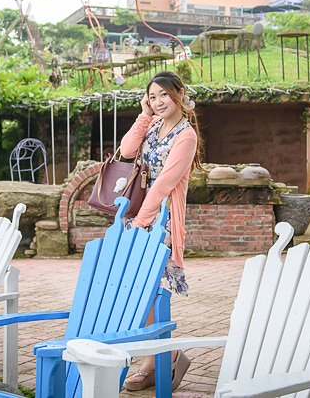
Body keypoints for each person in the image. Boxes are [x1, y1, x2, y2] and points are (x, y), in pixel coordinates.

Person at [119, 70, 203, 391]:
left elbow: (165, 184)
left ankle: (158, 359)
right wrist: (143, 115)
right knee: (136, 288)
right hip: (139, 214)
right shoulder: (152, 124)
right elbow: (127, 151)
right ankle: (166, 356)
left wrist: (142, 223)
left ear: (179, 94)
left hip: (161, 220)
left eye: (163, 95)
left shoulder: (186, 136)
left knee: (149, 288)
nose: (158, 101)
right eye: (152, 96)